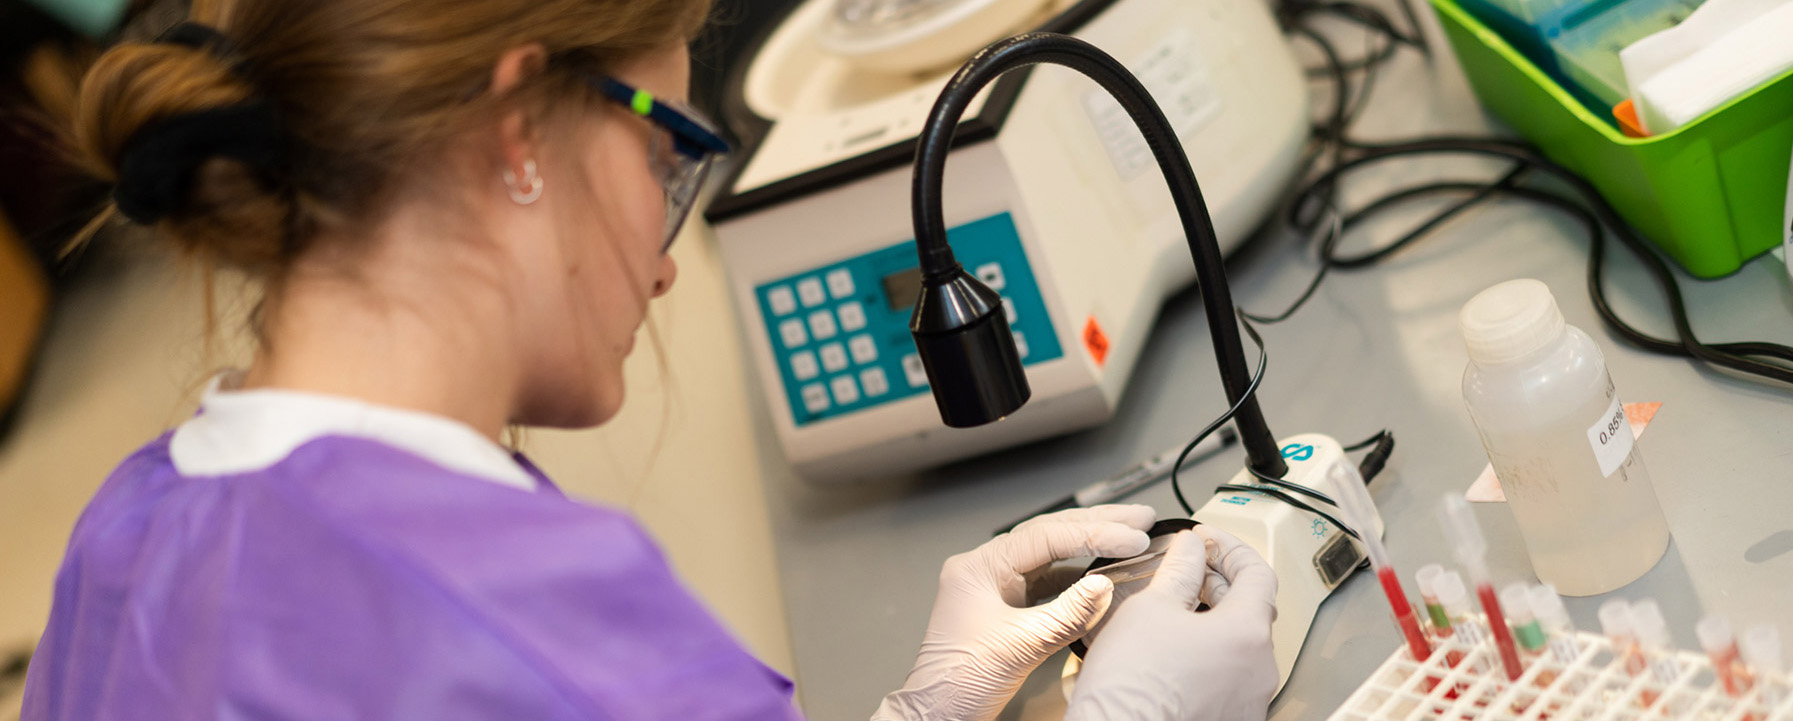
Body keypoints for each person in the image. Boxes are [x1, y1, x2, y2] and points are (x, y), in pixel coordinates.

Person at [24, 1, 1282, 719]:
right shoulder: (507, 613)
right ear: (520, 128)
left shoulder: (127, 536)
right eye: (668, 157)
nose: (670, 255)